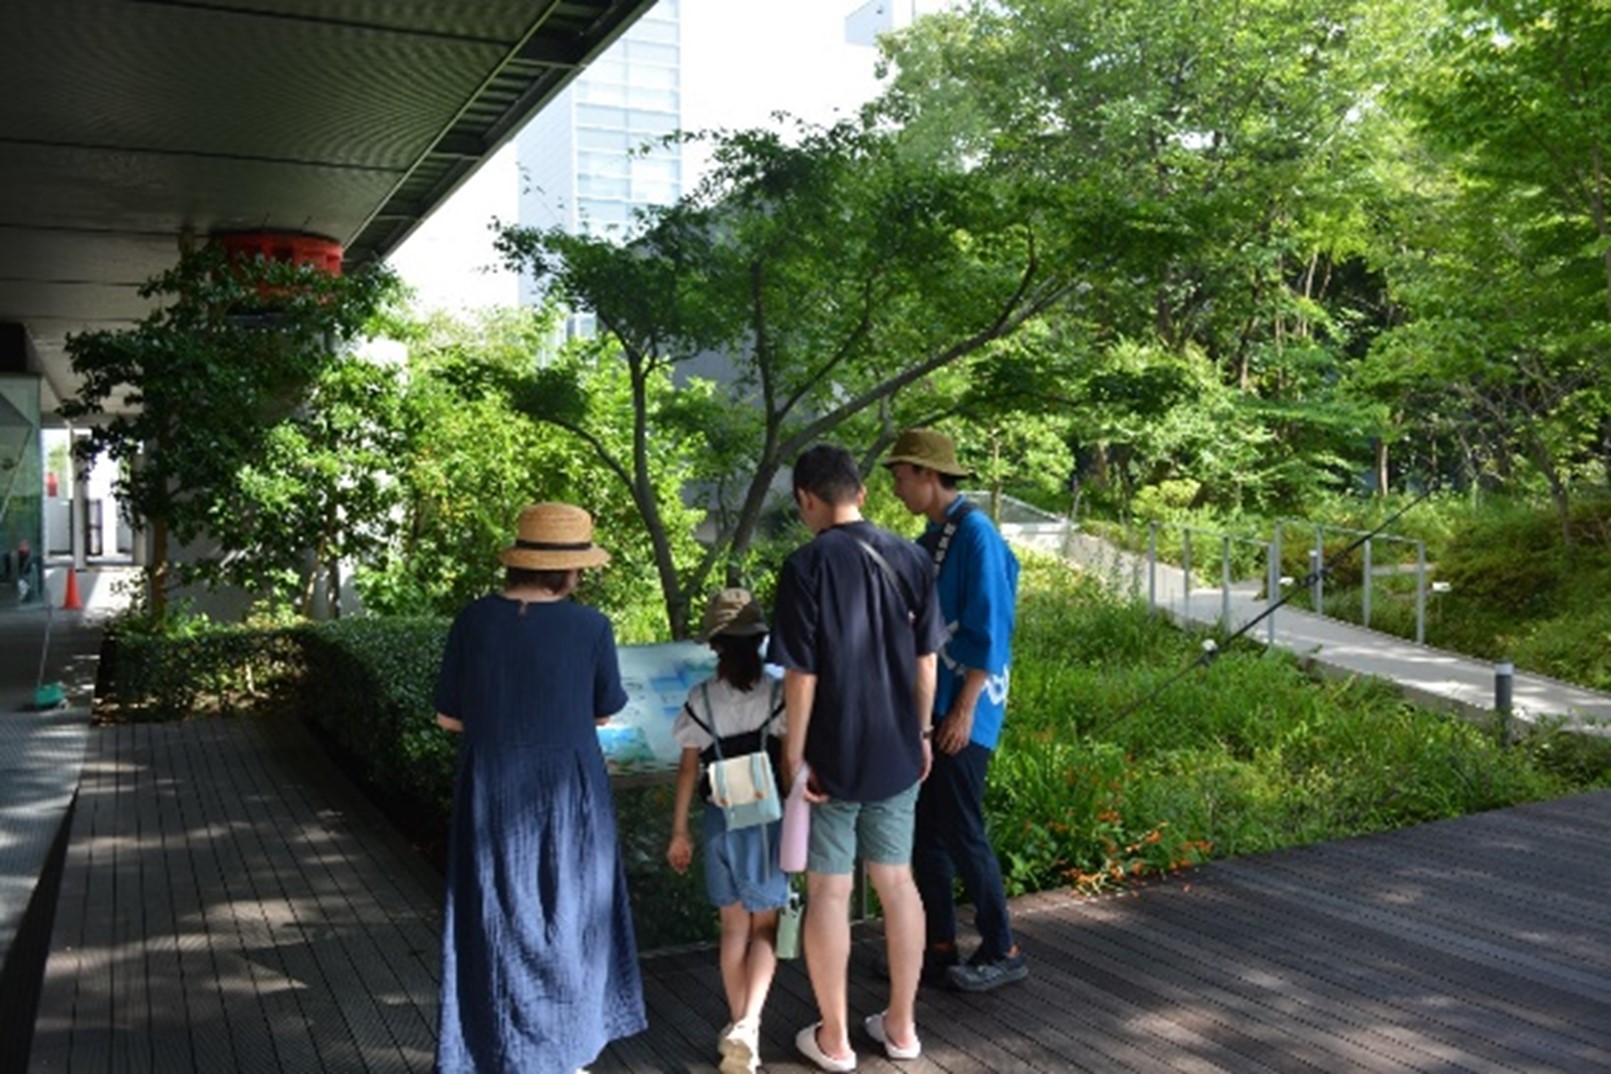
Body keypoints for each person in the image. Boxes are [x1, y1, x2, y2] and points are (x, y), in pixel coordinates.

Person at [433, 502, 646, 1074]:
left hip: (492, 786)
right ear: (569, 569)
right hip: (568, 789)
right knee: (574, 914)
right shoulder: (590, 626)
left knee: (496, 913)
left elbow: (449, 717)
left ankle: (499, 1050)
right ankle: (568, 1052)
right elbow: (604, 711)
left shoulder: (473, 620)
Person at [767, 444, 946, 1072]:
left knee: (829, 893)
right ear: (862, 493)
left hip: (831, 759)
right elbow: (927, 661)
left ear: (806, 501)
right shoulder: (913, 558)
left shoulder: (805, 566)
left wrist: (795, 756)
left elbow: (801, 674)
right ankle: (902, 1029)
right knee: (897, 883)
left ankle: (836, 1039)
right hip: (898, 749)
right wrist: (922, 734)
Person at [884, 427, 1028, 993]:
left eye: (899, 475)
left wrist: (964, 709)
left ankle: (1004, 947)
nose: (896, 487)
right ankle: (938, 945)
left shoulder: (975, 534)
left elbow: (993, 628)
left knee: (963, 828)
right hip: (937, 708)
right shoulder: (935, 536)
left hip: (968, 708)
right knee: (928, 832)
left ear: (925, 473)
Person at [666, 587, 788, 1074]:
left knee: (733, 927)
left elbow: (686, 771)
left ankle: (739, 1026)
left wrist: (680, 833)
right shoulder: (778, 694)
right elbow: (793, 756)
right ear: (758, 639)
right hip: (765, 822)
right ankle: (750, 1024)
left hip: (718, 820)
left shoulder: (701, 698)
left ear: (715, 644)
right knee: (766, 926)